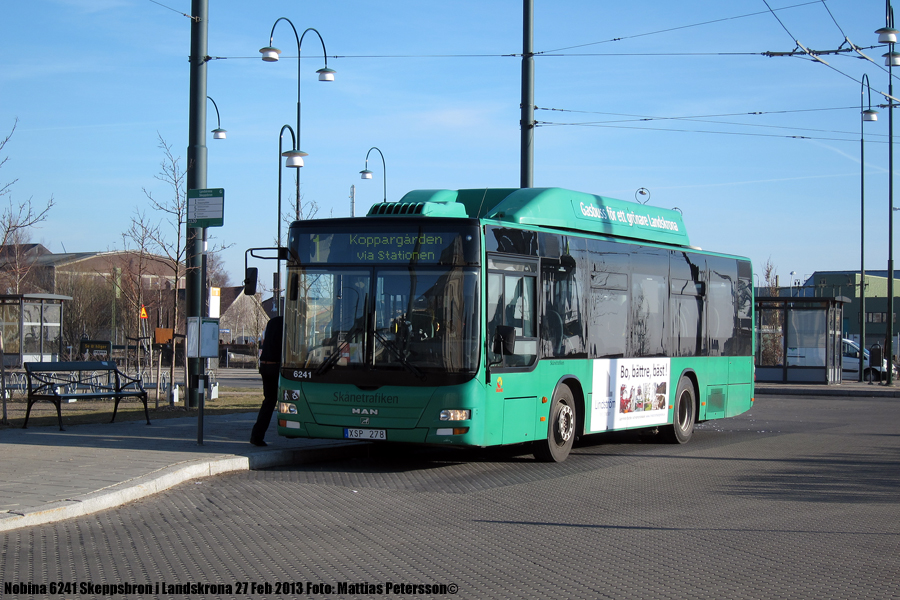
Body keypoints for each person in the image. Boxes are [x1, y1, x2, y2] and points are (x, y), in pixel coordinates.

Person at [251, 314, 283, 446]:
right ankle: (257, 435)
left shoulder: (273, 322)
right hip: (276, 365)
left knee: (269, 401)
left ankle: (257, 435)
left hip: (265, 364)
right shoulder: (287, 324)